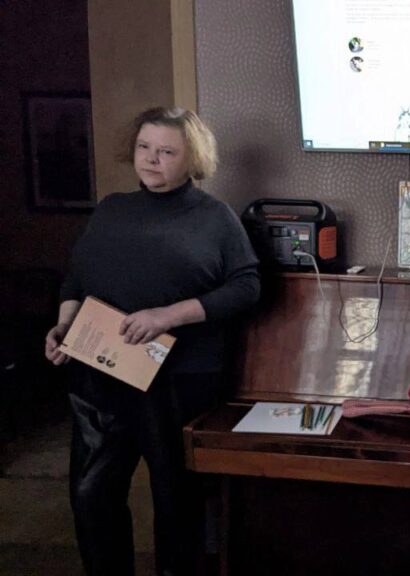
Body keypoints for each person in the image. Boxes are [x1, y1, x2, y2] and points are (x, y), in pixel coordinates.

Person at [43, 107, 260, 576]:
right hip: (100, 374)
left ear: (192, 159)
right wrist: (63, 327)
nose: (151, 159)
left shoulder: (215, 217)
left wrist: (167, 316)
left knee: (176, 502)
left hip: (179, 381)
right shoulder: (111, 209)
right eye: (144, 147)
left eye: (166, 152)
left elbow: (247, 288)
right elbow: (76, 279)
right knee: (90, 496)